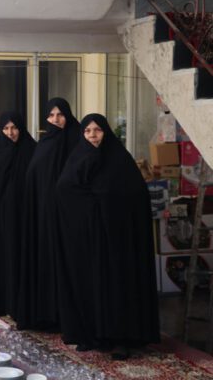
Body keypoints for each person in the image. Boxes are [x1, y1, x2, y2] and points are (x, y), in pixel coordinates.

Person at [55, 113, 160, 360]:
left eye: (97, 130)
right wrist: (92, 203)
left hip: (117, 240)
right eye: (87, 131)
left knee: (117, 287)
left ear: (106, 132)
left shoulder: (120, 160)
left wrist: (105, 200)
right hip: (89, 240)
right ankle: (92, 335)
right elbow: (64, 192)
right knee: (90, 285)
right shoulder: (77, 159)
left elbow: (136, 195)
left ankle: (122, 338)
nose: (92, 135)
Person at [16, 97, 81, 329]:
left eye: (60, 114)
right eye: (51, 115)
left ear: (68, 115)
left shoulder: (77, 140)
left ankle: (66, 317)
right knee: (45, 261)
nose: (55, 119)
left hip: (67, 216)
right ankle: (46, 314)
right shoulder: (44, 143)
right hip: (43, 214)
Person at [0, 111, 36, 316]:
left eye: (14, 128)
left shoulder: (31, 151)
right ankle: (3, 302)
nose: (10, 133)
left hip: (24, 219)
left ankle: (22, 305)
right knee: (3, 260)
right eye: (6, 128)